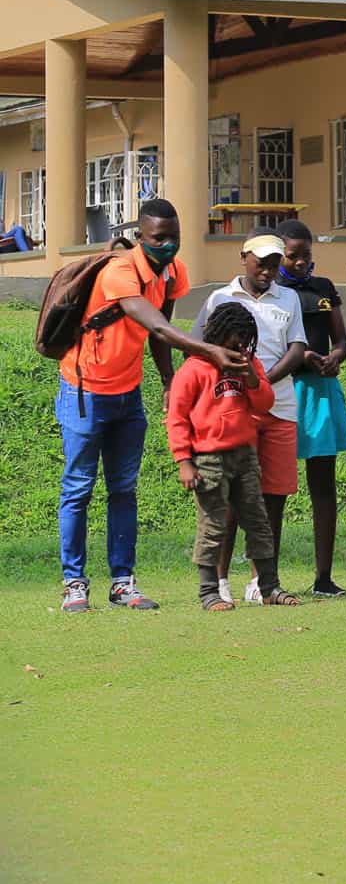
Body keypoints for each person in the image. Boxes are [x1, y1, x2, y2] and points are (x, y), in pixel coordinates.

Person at [55, 199, 230, 612]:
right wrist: (207, 351)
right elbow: (153, 322)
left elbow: (158, 332)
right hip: (84, 390)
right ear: (140, 237)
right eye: (158, 238)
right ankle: (74, 583)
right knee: (78, 488)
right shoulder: (119, 270)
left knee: (123, 489)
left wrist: (169, 379)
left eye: (174, 238)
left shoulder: (173, 272)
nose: (168, 246)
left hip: (128, 393)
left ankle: (123, 582)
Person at [190, 235, 306, 606]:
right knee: (227, 498)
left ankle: (261, 581)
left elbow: (297, 348)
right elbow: (197, 349)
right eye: (261, 263)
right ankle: (220, 579)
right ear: (243, 258)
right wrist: (240, 388)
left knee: (272, 498)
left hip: (279, 407)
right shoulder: (219, 298)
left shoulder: (288, 298)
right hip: (233, 410)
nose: (268, 271)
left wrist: (259, 382)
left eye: (274, 264)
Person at [165, 304, 299, 610]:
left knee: (258, 522)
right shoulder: (194, 369)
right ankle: (209, 591)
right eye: (233, 339)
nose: (239, 346)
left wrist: (251, 377)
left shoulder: (250, 364)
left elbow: (265, 403)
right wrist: (184, 461)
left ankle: (269, 587)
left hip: (245, 455)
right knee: (213, 524)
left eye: (244, 341)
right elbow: (176, 418)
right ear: (217, 334)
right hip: (209, 458)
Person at [274, 220, 346, 598]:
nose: (301, 262)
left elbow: (341, 340)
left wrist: (335, 356)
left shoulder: (323, 288)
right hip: (285, 389)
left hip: (320, 391)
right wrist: (301, 356)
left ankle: (324, 577)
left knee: (323, 485)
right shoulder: (274, 292)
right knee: (274, 487)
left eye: (306, 255)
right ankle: (266, 577)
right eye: (293, 256)